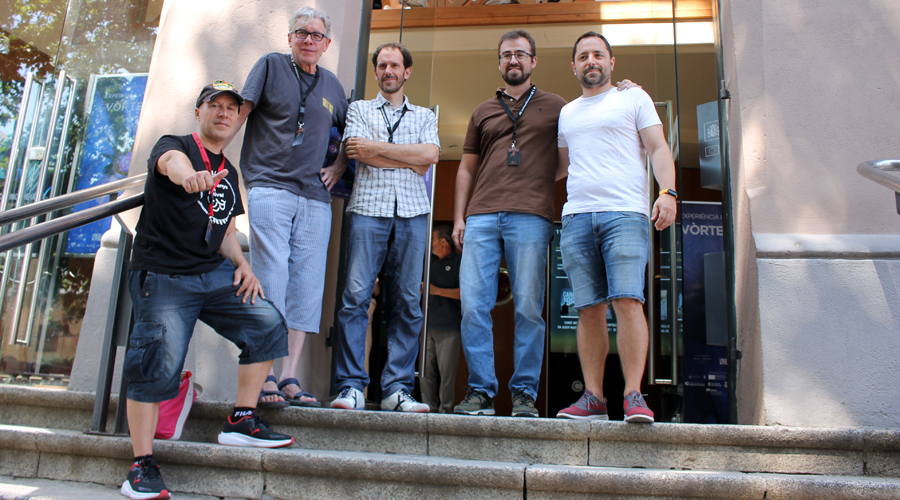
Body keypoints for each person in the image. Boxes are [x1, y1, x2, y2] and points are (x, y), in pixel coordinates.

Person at [120, 81, 294, 500]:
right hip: (163, 276)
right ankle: (140, 466)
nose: (223, 113)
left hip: (211, 275)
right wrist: (190, 177)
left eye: (231, 108)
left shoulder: (230, 173)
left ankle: (241, 420)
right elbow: (171, 165)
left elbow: (224, 230)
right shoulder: (174, 144)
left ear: (237, 118)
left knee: (267, 323)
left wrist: (243, 265)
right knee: (156, 363)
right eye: (214, 105)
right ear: (199, 111)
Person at [555, 32, 676, 424]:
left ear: (611, 63)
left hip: (625, 213)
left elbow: (658, 148)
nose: (591, 61)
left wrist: (668, 192)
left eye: (598, 55)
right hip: (575, 217)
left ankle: (633, 395)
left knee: (627, 301)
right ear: (573, 66)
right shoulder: (567, 112)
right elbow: (559, 166)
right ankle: (593, 398)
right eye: (583, 56)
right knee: (588, 309)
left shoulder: (633, 98)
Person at [234, 6, 349, 408]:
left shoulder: (333, 87)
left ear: (327, 44)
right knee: (270, 276)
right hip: (270, 186)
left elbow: (351, 137)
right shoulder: (270, 66)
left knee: (307, 284)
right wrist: (208, 156)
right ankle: (263, 373)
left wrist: (338, 165)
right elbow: (239, 112)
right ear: (289, 37)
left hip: (315, 198)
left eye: (317, 35)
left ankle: (289, 377)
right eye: (302, 33)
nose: (309, 40)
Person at [451, 29, 566, 417]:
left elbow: (565, 162)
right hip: (481, 217)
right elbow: (467, 168)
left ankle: (524, 395)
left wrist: (532, 183)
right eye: (506, 55)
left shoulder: (557, 106)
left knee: (529, 309)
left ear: (534, 61)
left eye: (520, 54)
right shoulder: (482, 110)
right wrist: (459, 218)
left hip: (531, 218)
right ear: (499, 63)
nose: (513, 60)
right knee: (473, 307)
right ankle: (481, 391)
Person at [332, 42, 439, 412]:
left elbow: (430, 156)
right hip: (368, 210)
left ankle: (397, 388)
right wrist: (407, 157)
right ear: (376, 71)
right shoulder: (359, 109)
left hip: (412, 213)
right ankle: (351, 386)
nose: (389, 70)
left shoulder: (425, 115)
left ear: (407, 71)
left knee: (408, 301)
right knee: (356, 297)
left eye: (395, 65)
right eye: (382, 65)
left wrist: (382, 151)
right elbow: (356, 152)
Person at [422, 225, 462, 413]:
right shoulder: (429, 262)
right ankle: (428, 408)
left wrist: (436, 290)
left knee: (447, 374)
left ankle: (445, 411)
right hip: (427, 324)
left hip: (449, 325)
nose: (431, 245)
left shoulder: (458, 262)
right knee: (425, 372)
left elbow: (464, 293)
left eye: (434, 240)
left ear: (443, 241)